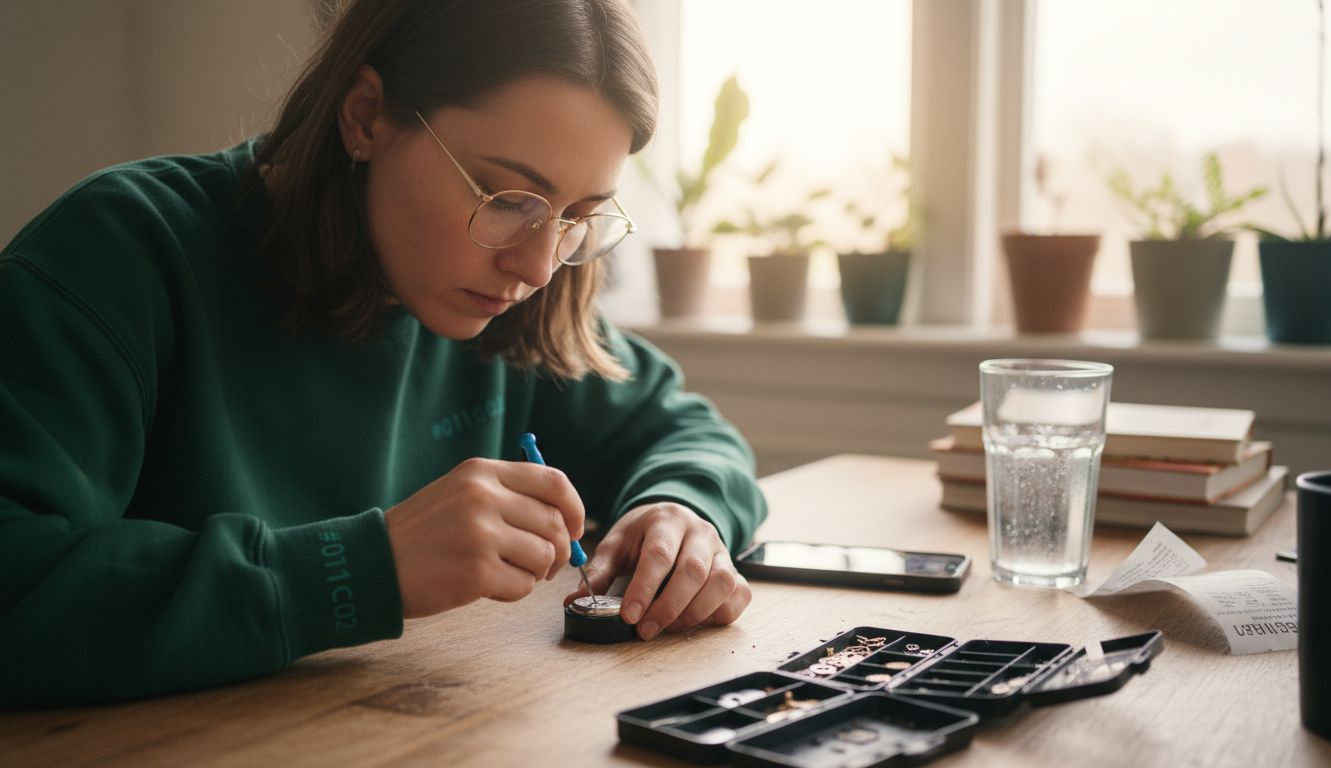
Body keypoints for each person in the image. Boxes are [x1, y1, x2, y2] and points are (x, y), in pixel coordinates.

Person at [0, 0, 766, 707]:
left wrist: (685, 510)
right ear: (366, 117)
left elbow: (687, 432)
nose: (536, 267)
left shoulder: (508, 308)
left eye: (578, 217)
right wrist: (364, 569)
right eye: (507, 201)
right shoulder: (118, 257)